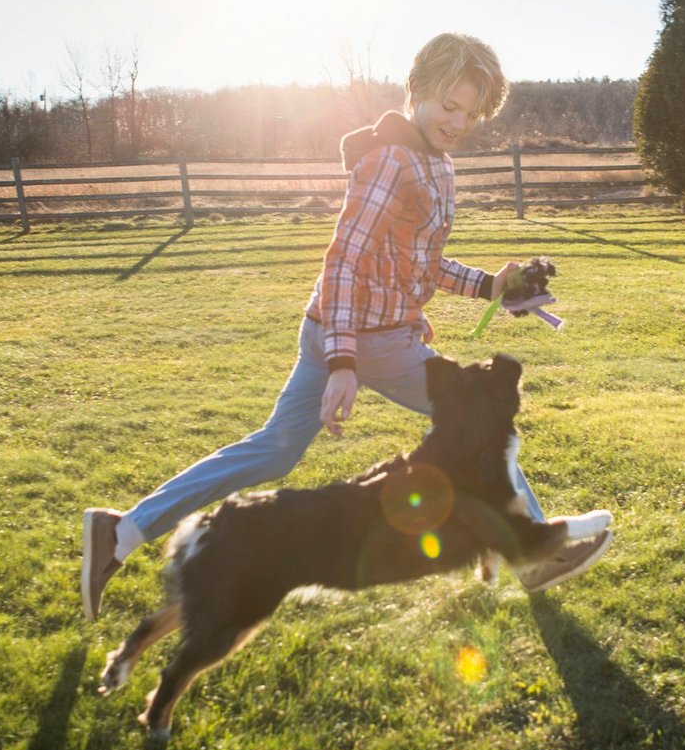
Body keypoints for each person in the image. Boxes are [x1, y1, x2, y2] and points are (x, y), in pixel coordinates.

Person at [82, 32, 613, 621]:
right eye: (448, 105)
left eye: (471, 112)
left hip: (335, 328)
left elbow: (420, 262)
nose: (458, 121)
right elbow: (344, 262)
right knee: (484, 418)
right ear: (417, 91)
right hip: (369, 342)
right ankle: (532, 552)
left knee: (274, 450)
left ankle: (122, 532)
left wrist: (492, 285)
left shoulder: (432, 162)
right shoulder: (391, 160)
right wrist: (345, 363)